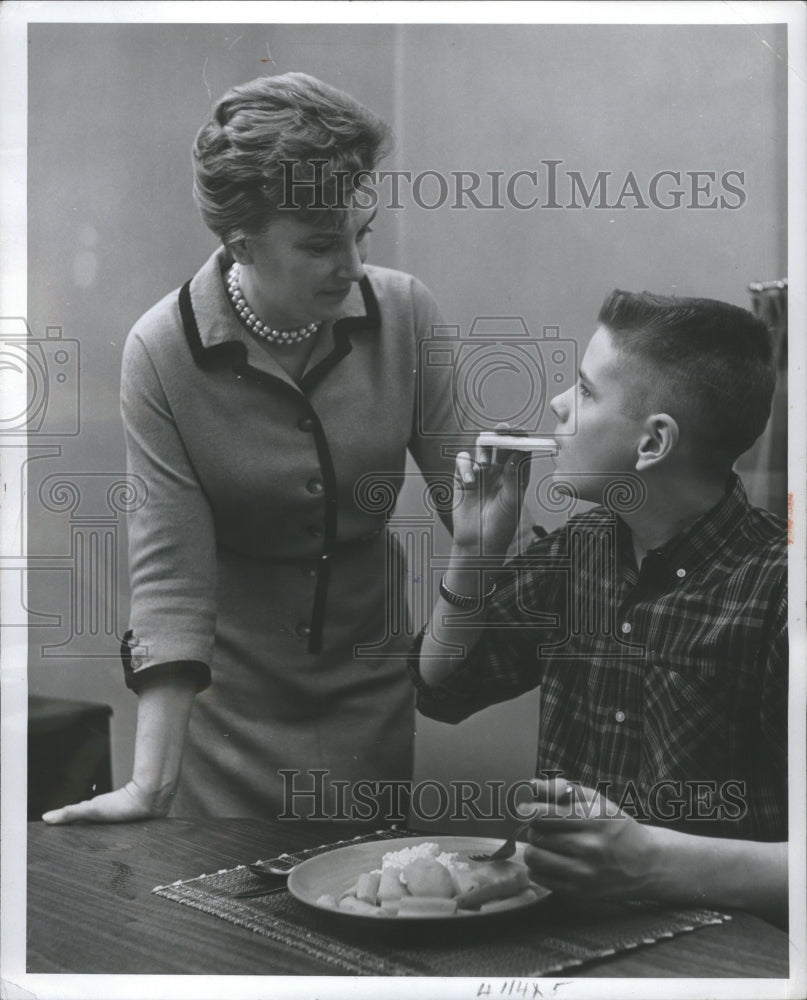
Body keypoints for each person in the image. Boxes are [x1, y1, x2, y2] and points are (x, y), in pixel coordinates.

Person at [42, 72, 459, 823]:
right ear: (241, 245)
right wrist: (151, 785)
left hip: (372, 698)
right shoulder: (162, 350)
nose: (355, 268)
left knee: (365, 914)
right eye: (321, 246)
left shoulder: (405, 312)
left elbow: (475, 505)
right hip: (225, 716)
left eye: (360, 236)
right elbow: (170, 580)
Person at [412, 290, 788, 926]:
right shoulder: (582, 549)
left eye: (585, 391)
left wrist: (649, 859)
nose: (559, 404)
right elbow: (440, 685)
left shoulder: (781, 592)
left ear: (652, 443)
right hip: (561, 939)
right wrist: (475, 549)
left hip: (716, 964)